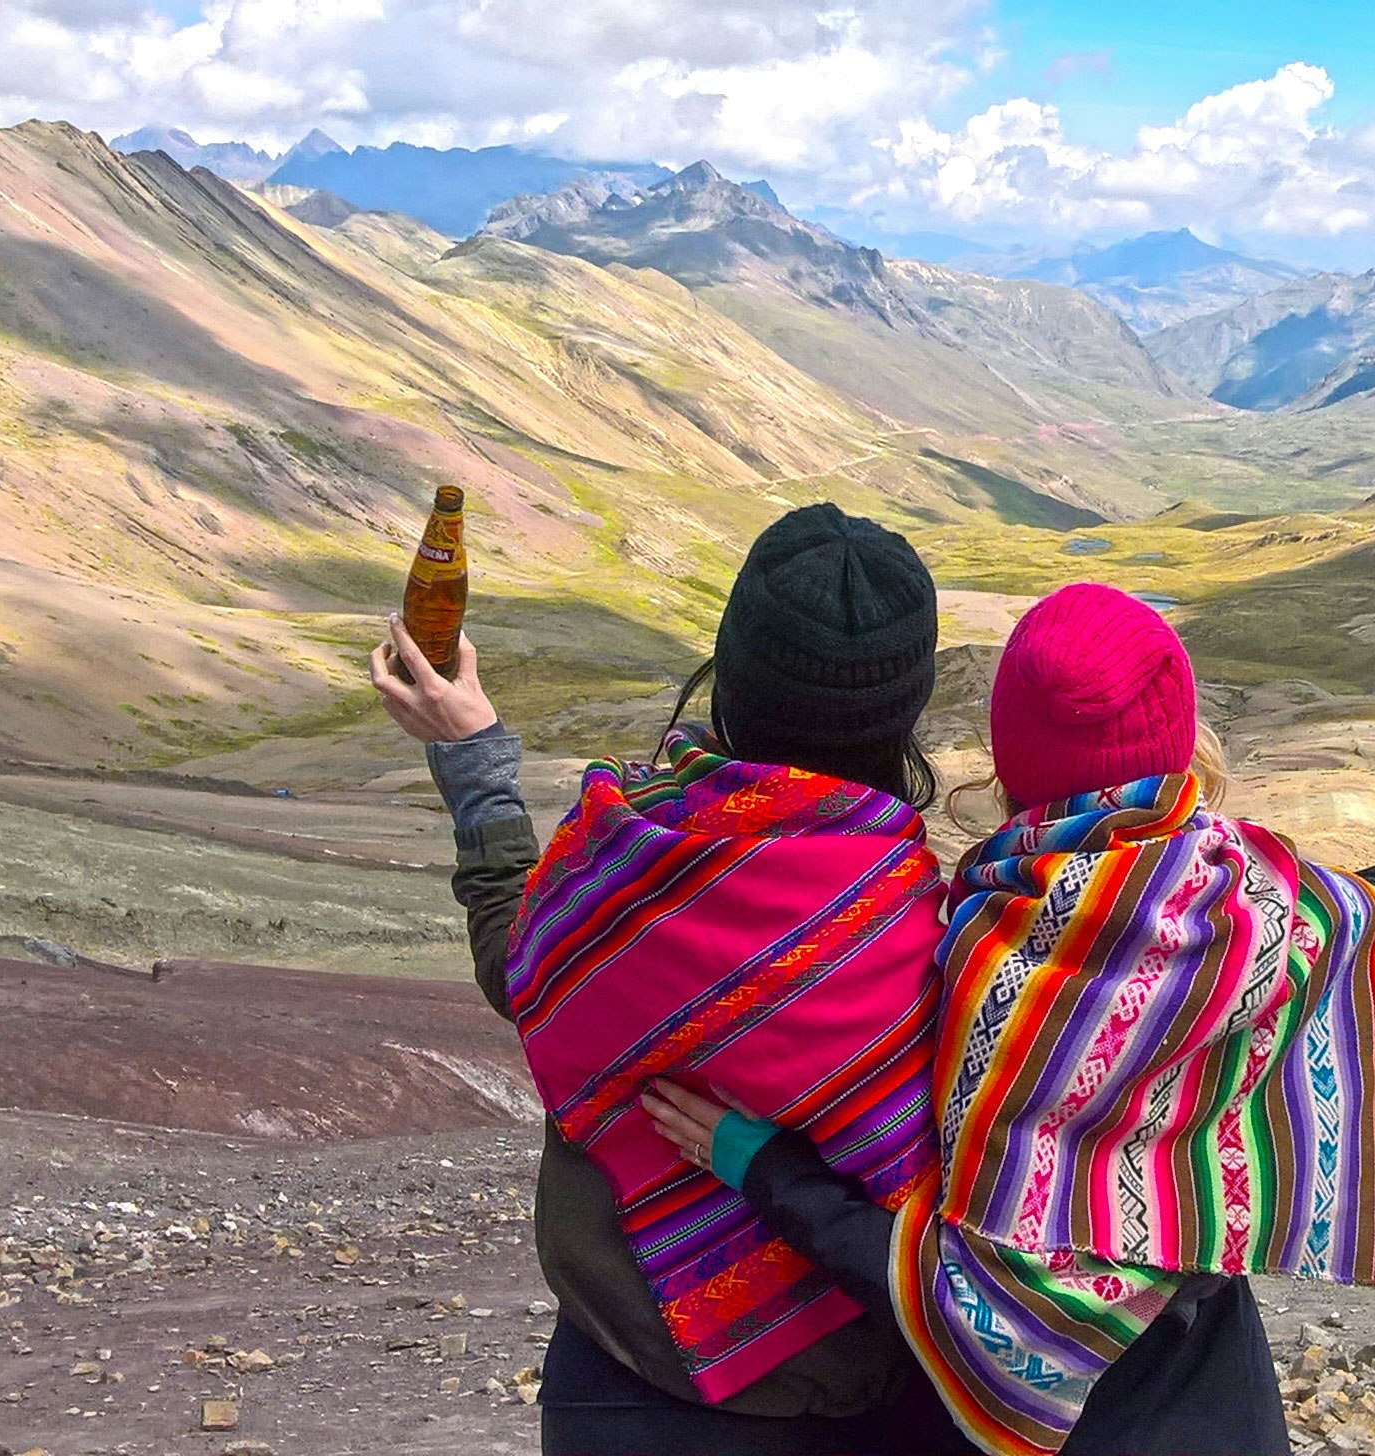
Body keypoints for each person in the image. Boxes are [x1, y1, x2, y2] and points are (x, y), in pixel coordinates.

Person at [647, 551, 1375, 1456]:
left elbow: (946, 1293)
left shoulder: (945, 952)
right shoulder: (1280, 928)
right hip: (1214, 1413)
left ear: (1009, 760)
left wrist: (763, 1170)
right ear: (1179, 743)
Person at [371, 502, 972, 1456]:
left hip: (624, 1385)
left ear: (729, 674)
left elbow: (521, 967)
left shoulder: (623, 866)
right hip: (880, 1398)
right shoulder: (943, 934)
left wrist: (477, 764)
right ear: (905, 712)